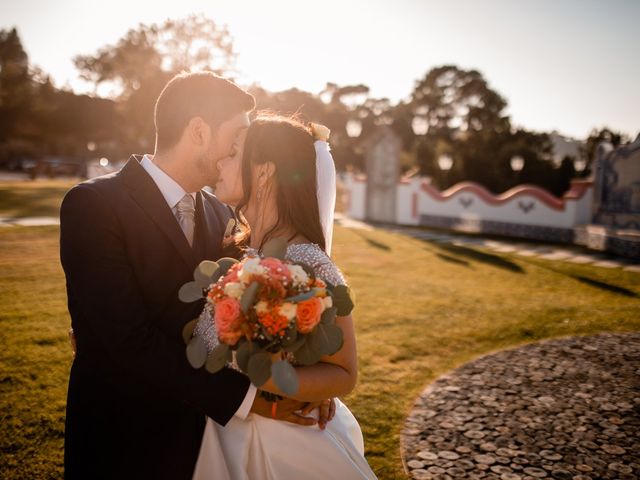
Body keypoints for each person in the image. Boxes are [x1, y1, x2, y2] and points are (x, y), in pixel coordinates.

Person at [60, 72, 327, 480]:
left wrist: (308, 379)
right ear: (199, 131)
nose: (245, 149)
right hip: (122, 439)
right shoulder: (93, 205)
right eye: (237, 137)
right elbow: (129, 341)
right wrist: (254, 401)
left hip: (206, 443)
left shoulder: (224, 214)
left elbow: (251, 306)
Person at [193, 113, 377, 479]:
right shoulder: (241, 255)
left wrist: (267, 380)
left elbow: (343, 373)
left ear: (263, 172)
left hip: (280, 449)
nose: (220, 161)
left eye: (232, 153)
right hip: (219, 438)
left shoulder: (308, 263)